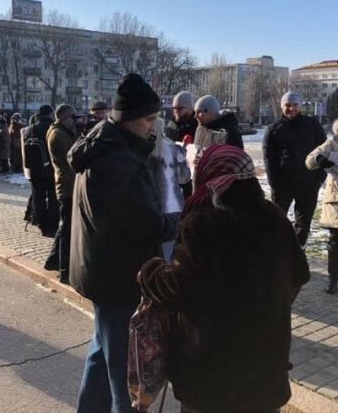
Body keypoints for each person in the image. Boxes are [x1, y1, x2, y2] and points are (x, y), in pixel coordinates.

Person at [139, 144, 310, 413]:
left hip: (211, 373)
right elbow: (301, 274)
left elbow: (179, 288)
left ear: (207, 176)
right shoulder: (274, 216)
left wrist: (151, 271)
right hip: (263, 369)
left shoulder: (203, 223)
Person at [68, 73, 179, 413]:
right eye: (148, 119)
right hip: (117, 277)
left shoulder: (106, 143)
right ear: (128, 119)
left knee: (102, 355)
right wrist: (177, 219)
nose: (152, 126)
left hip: (102, 270)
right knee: (126, 375)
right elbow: (146, 223)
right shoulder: (118, 160)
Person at [263, 91, 326, 248]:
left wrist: (319, 179)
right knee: (276, 221)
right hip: (282, 185)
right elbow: (268, 158)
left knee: (303, 223)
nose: (292, 108)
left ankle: (298, 254)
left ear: (300, 106)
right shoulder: (274, 129)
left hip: (308, 183)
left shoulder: (312, 125)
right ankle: (276, 254)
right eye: (288, 105)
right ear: (282, 106)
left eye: (295, 105)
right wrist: (273, 182)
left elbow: (324, 152)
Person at [44, 104, 78, 284]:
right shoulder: (58, 135)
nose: (75, 121)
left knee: (65, 226)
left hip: (67, 184)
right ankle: (64, 270)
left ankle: (53, 260)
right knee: (67, 229)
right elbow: (74, 156)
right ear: (65, 118)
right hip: (67, 186)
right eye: (73, 118)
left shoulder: (59, 131)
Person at [149, 117, 189, 261]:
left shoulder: (141, 151)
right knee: (173, 254)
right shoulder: (174, 148)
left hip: (155, 208)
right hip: (176, 207)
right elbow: (185, 178)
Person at [306, 118, 338, 293]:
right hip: (336, 200)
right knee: (335, 241)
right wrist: (319, 159)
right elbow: (309, 160)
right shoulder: (332, 143)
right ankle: (333, 278)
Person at [23, 104, 59, 237]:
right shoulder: (53, 128)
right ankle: (52, 226)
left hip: (34, 169)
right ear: (50, 114)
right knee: (53, 198)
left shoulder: (30, 129)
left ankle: (41, 225)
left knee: (38, 198)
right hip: (50, 168)